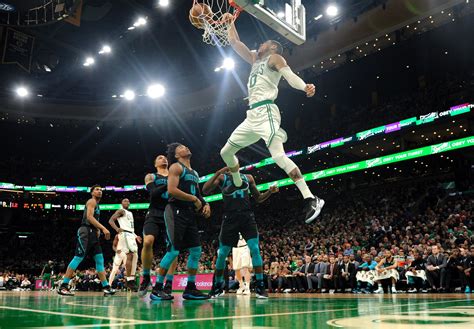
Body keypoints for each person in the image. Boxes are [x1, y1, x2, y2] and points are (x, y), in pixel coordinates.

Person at [220, 19, 324, 224]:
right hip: (252, 116)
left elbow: (289, 75)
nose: (259, 46)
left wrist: (304, 87)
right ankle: (239, 183)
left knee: (278, 157)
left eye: (263, 44)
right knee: (225, 152)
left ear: (273, 47)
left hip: (267, 111)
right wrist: (229, 22)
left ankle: (311, 198)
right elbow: (233, 42)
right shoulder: (254, 59)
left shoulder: (274, 57)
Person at [203, 167, 278, 299]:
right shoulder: (222, 177)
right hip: (229, 218)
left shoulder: (248, 177)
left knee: (255, 249)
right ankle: (217, 286)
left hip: (247, 217)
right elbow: (205, 190)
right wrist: (218, 172)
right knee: (222, 254)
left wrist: (270, 192)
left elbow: (259, 198)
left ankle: (260, 286)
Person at [151, 143, 211, 300]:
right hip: (174, 211)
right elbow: (171, 190)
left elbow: (197, 194)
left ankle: (190, 288)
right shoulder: (176, 167)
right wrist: (193, 199)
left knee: (196, 250)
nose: (186, 148)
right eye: (182, 148)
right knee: (173, 251)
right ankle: (157, 289)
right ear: (177, 155)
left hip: (189, 213)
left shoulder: (195, 173)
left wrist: (205, 203)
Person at [57, 185, 115, 296]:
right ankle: (63, 286)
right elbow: (89, 217)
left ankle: (106, 287)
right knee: (78, 257)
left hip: (93, 233)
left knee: (100, 259)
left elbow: (93, 219)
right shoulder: (91, 201)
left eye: (101, 190)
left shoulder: (97, 205)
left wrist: (97, 229)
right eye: (97, 189)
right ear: (92, 192)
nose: (100, 191)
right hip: (85, 231)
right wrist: (103, 228)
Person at [139, 155, 178, 297]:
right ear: (155, 163)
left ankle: (169, 283)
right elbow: (153, 193)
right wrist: (169, 183)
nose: (163, 158)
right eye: (159, 158)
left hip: (171, 213)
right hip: (154, 213)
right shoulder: (150, 176)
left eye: (164, 157)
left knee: (173, 248)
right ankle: (146, 277)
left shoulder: (175, 175)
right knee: (148, 241)